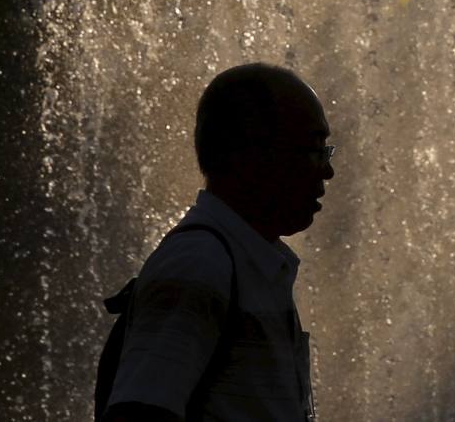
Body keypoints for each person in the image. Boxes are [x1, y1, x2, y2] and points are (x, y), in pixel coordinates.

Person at [102, 63, 334, 422]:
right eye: (313, 148)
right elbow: (138, 411)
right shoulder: (200, 262)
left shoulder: (249, 263)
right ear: (248, 155)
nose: (327, 169)